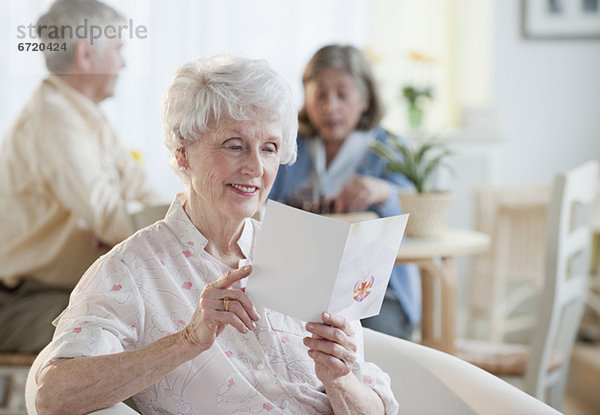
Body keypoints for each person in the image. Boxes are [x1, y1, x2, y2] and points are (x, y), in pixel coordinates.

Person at [33, 56, 399, 415]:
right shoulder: (131, 270)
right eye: (234, 145)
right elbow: (53, 396)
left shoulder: (308, 252)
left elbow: (375, 407)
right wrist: (188, 340)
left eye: (269, 148)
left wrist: (340, 380)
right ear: (182, 154)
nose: (255, 167)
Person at [0, 0, 160, 354]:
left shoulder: (86, 116)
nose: (124, 62)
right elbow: (110, 219)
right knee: (142, 332)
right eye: (119, 48)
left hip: (67, 290)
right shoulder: (52, 121)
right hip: (25, 301)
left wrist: (190, 225)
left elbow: (141, 192)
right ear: (86, 55)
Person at [269, 44, 420, 340]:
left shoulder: (388, 148)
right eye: (320, 94)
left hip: (375, 295)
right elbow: (264, 209)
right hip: (301, 286)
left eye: (342, 94)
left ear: (364, 98)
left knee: (369, 346)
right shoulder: (289, 147)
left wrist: (382, 191)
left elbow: (417, 213)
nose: (330, 106)